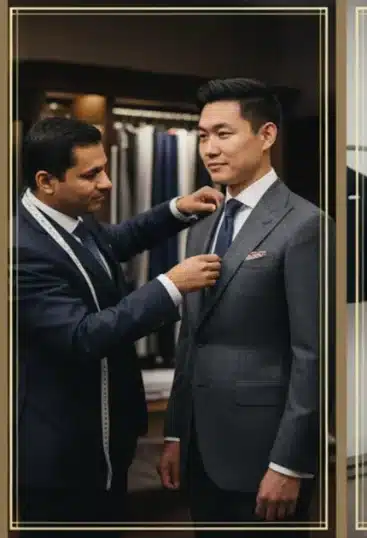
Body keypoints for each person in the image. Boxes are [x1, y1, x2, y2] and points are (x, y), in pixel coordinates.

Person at [14, 117, 223, 534]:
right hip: (62, 457)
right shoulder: (21, 250)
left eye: (105, 168)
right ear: (46, 180)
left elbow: (114, 241)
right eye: (91, 174)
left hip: (106, 440)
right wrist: (170, 285)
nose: (107, 183)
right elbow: (82, 336)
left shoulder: (70, 218)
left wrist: (175, 210)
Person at [158, 78, 328, 536]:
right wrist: (176, 432)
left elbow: (313, 356)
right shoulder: (203, 223)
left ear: (267, 135)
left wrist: (290, 462)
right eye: (203, 135)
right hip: (201, 447)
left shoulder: (306, 225)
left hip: (265, 451)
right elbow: (191, 336)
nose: (210, 148)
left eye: (224, 133)